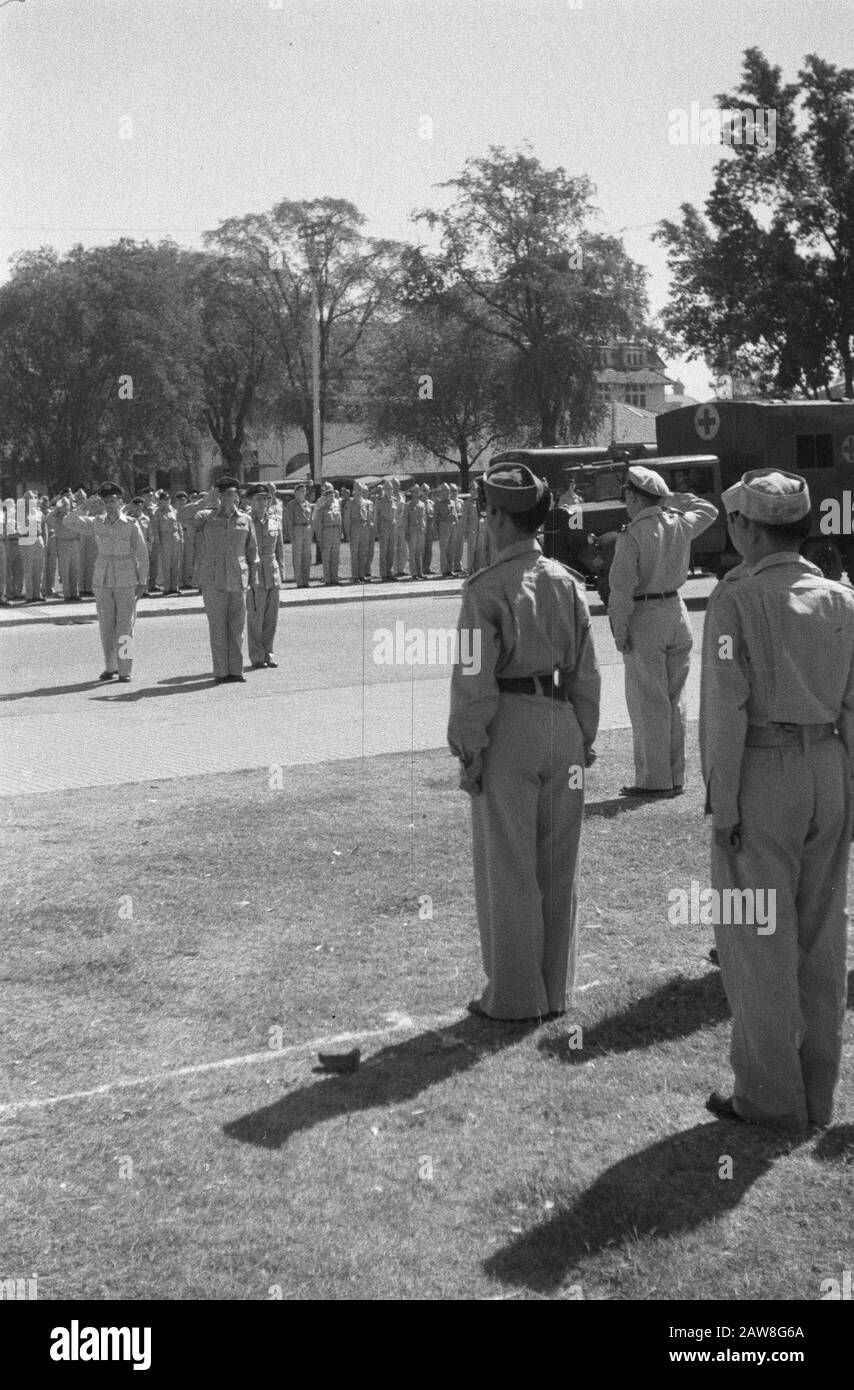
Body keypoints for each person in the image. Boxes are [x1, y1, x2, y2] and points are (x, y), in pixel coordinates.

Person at [699, 469, 854, 1131]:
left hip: (763, 771)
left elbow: (726, 710)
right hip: (829, 767)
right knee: (820, 940)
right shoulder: (841, 599)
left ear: (752, 528)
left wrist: (724, 803)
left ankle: (768, 1096)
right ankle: (816, 1097)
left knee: (757, 938)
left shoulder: (736, 599)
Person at [447, 462, 601, 1022]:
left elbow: (473, 681)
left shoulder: (484, 590)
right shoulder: (567, 582)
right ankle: (552, 990)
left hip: (510, 726)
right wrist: (584, 737)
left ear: (501, 519)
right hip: (562, 721)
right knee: (558, 865)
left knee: (510, 867)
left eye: (488, 510)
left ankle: (514, 996)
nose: (485, 519)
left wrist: (470, 749)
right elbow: (587, 670)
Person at [608, 464, 718, 797]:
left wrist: (619, 631)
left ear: (633, 496)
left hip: (646, 616)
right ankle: (675, 776)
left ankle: (654, 779)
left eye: (627, 493)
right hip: (676, 610)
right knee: (675, 700)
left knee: (649, 701)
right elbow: (709, 510)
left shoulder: (631, 536)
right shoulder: (679, 523)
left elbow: (621, 591)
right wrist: (671, 499)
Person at [57, 483, 148, 681]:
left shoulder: (131, 523)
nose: (109, 504)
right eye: (106, 501)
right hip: (103, 579)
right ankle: (111, 667)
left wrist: (143, 581)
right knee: (106, 626)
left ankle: (125, 670)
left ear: (121, 502)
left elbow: (142, 553)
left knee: (125, 626)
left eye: (113, 500)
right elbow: (68, 521)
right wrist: (84, 506)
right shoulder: (96, 522)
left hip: (126, 579)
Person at [179, 477, 258, 683]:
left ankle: (235, 671)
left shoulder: (245, 520)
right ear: (218, 497)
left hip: (238, 578)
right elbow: (181, 516)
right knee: (217, 627)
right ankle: (221, 672)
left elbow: (252, 550)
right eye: (223, 495)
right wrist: (205, 500)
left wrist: (254, 578)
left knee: (236, 627)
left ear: (238, 497)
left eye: (232, 494)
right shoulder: (206, 516)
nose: (228, 498)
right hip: (212, 579)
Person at [246, 483, 284, 669]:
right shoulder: (246, 521)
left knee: (271, 617)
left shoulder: (275, 520)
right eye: (259, 499)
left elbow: (280, 549)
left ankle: (268, 653)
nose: (263, 503)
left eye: (265, 499)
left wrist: (281, 572)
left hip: (272, 572)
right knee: (256, 617)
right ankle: (257, 656)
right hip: (255, 574)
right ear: (250, 502)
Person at [284, 483, 313, 588]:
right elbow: (289, 521)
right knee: (297, 557)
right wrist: (291, 535)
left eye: (304, 491)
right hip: (297, 529)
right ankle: (299, 582)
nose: (303, 493)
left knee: (307, 556)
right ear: (296, 493)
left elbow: (311, 519)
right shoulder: (291, 505)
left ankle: (306, 581)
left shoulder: (308, 504)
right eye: (301, 491)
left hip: (307, 529)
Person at [155, 490, 184, 594]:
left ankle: (175, 587)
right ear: (160, 501)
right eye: (164, 499)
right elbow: (156, 529)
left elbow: (179, 525)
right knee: (166, 564)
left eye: (168, 499)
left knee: (176, 564)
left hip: (175, 538)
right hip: (165, 539)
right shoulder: (158, 513)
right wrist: (158, 542)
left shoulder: (174, 511)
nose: (166, 501)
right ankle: (166, 588)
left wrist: (181, 539)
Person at [314, 482, 343, 584]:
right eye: (329, 495)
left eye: (333, 495)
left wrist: (341, 533)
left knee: (335, 556)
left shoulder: (336, 505)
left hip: (336, 531)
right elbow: (318, 523)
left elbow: (340, 519)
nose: (332, 497)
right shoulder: (321, 507)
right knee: (326, 557)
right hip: (326, 531)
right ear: (325, 496)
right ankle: (327, 579)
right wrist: (319, 537)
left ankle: (334, 578)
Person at [20, 491, 46, 602]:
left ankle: (37, 594)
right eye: (29, 498)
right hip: (27, 538)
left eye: (33, 498)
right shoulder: (21, 512)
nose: (31, 500)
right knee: (29, 568)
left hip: (38, 538)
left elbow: (43, 526)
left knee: (38, 568)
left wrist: (44, 541)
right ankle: (29, 595)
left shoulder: (39, 512)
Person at [348, 480, 372, 583]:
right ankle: (355, 576)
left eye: (360, 489)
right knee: (355, 553)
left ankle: (362, 575)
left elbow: (368, 517)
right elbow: (347, 519)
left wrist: (368, 528)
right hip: (354, 527)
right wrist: (347, 533)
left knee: (363, 553)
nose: (359, 491)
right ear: (354, 490)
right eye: (357, 489)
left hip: (364, 527)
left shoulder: (365, 503)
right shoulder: (350, 503)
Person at [405, 487, 426, 579]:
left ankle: (420, 572)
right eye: (414, 493)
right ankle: (414, 573)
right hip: (412, 530)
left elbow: (424, 518)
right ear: (411, 494)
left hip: (420, 530)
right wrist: (406, 532)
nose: (416, 494)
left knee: (419, 552)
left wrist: (424, 528)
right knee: (412, 553)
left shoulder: (422, 504)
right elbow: (405, 519)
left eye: (418, 493)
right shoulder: (408, 505)